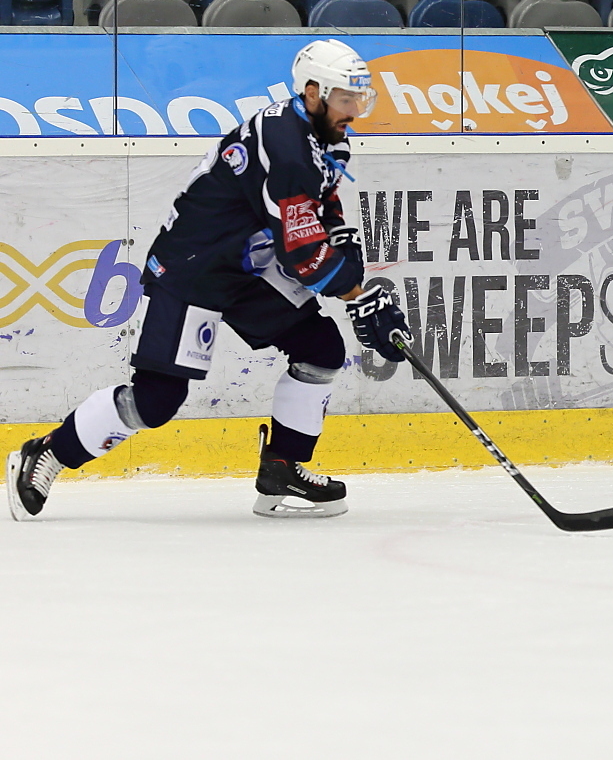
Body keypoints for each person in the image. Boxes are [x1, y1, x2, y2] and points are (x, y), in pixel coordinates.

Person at [6, 39, 412, 521]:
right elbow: (303, 254)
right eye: (346, 98)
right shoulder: (287, 147)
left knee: (320, 348)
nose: (355, 110)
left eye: (359, 99)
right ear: (311, 92)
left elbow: (321, 202)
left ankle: (282, 468)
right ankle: (49, 452)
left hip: (244, 264)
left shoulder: (324, 133)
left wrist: (349, 264)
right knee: (157, 400)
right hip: (194, 265)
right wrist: (359, 296)